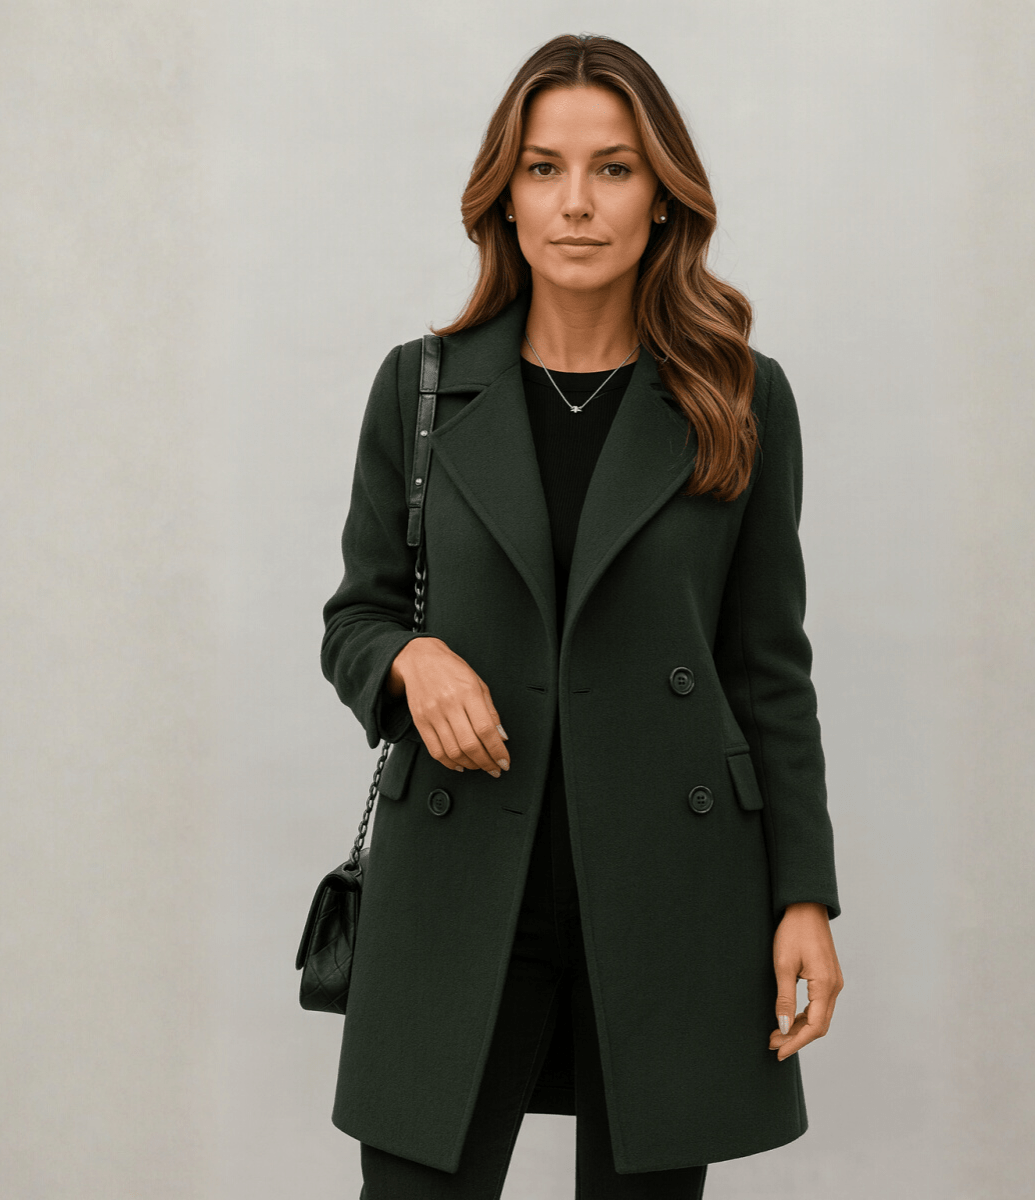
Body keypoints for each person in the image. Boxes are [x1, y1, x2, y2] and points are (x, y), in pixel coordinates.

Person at [320, 32, 844, 1200]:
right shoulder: (420, 389)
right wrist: (412, 662)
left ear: (663, 197)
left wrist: (803, 895)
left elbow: (769, 669)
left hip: (671, 879)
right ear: (503, 197)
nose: (576, 203)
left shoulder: (738, 398)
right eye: (544, 168)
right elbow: (356, 615)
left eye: (613, 168)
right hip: (460, 872)